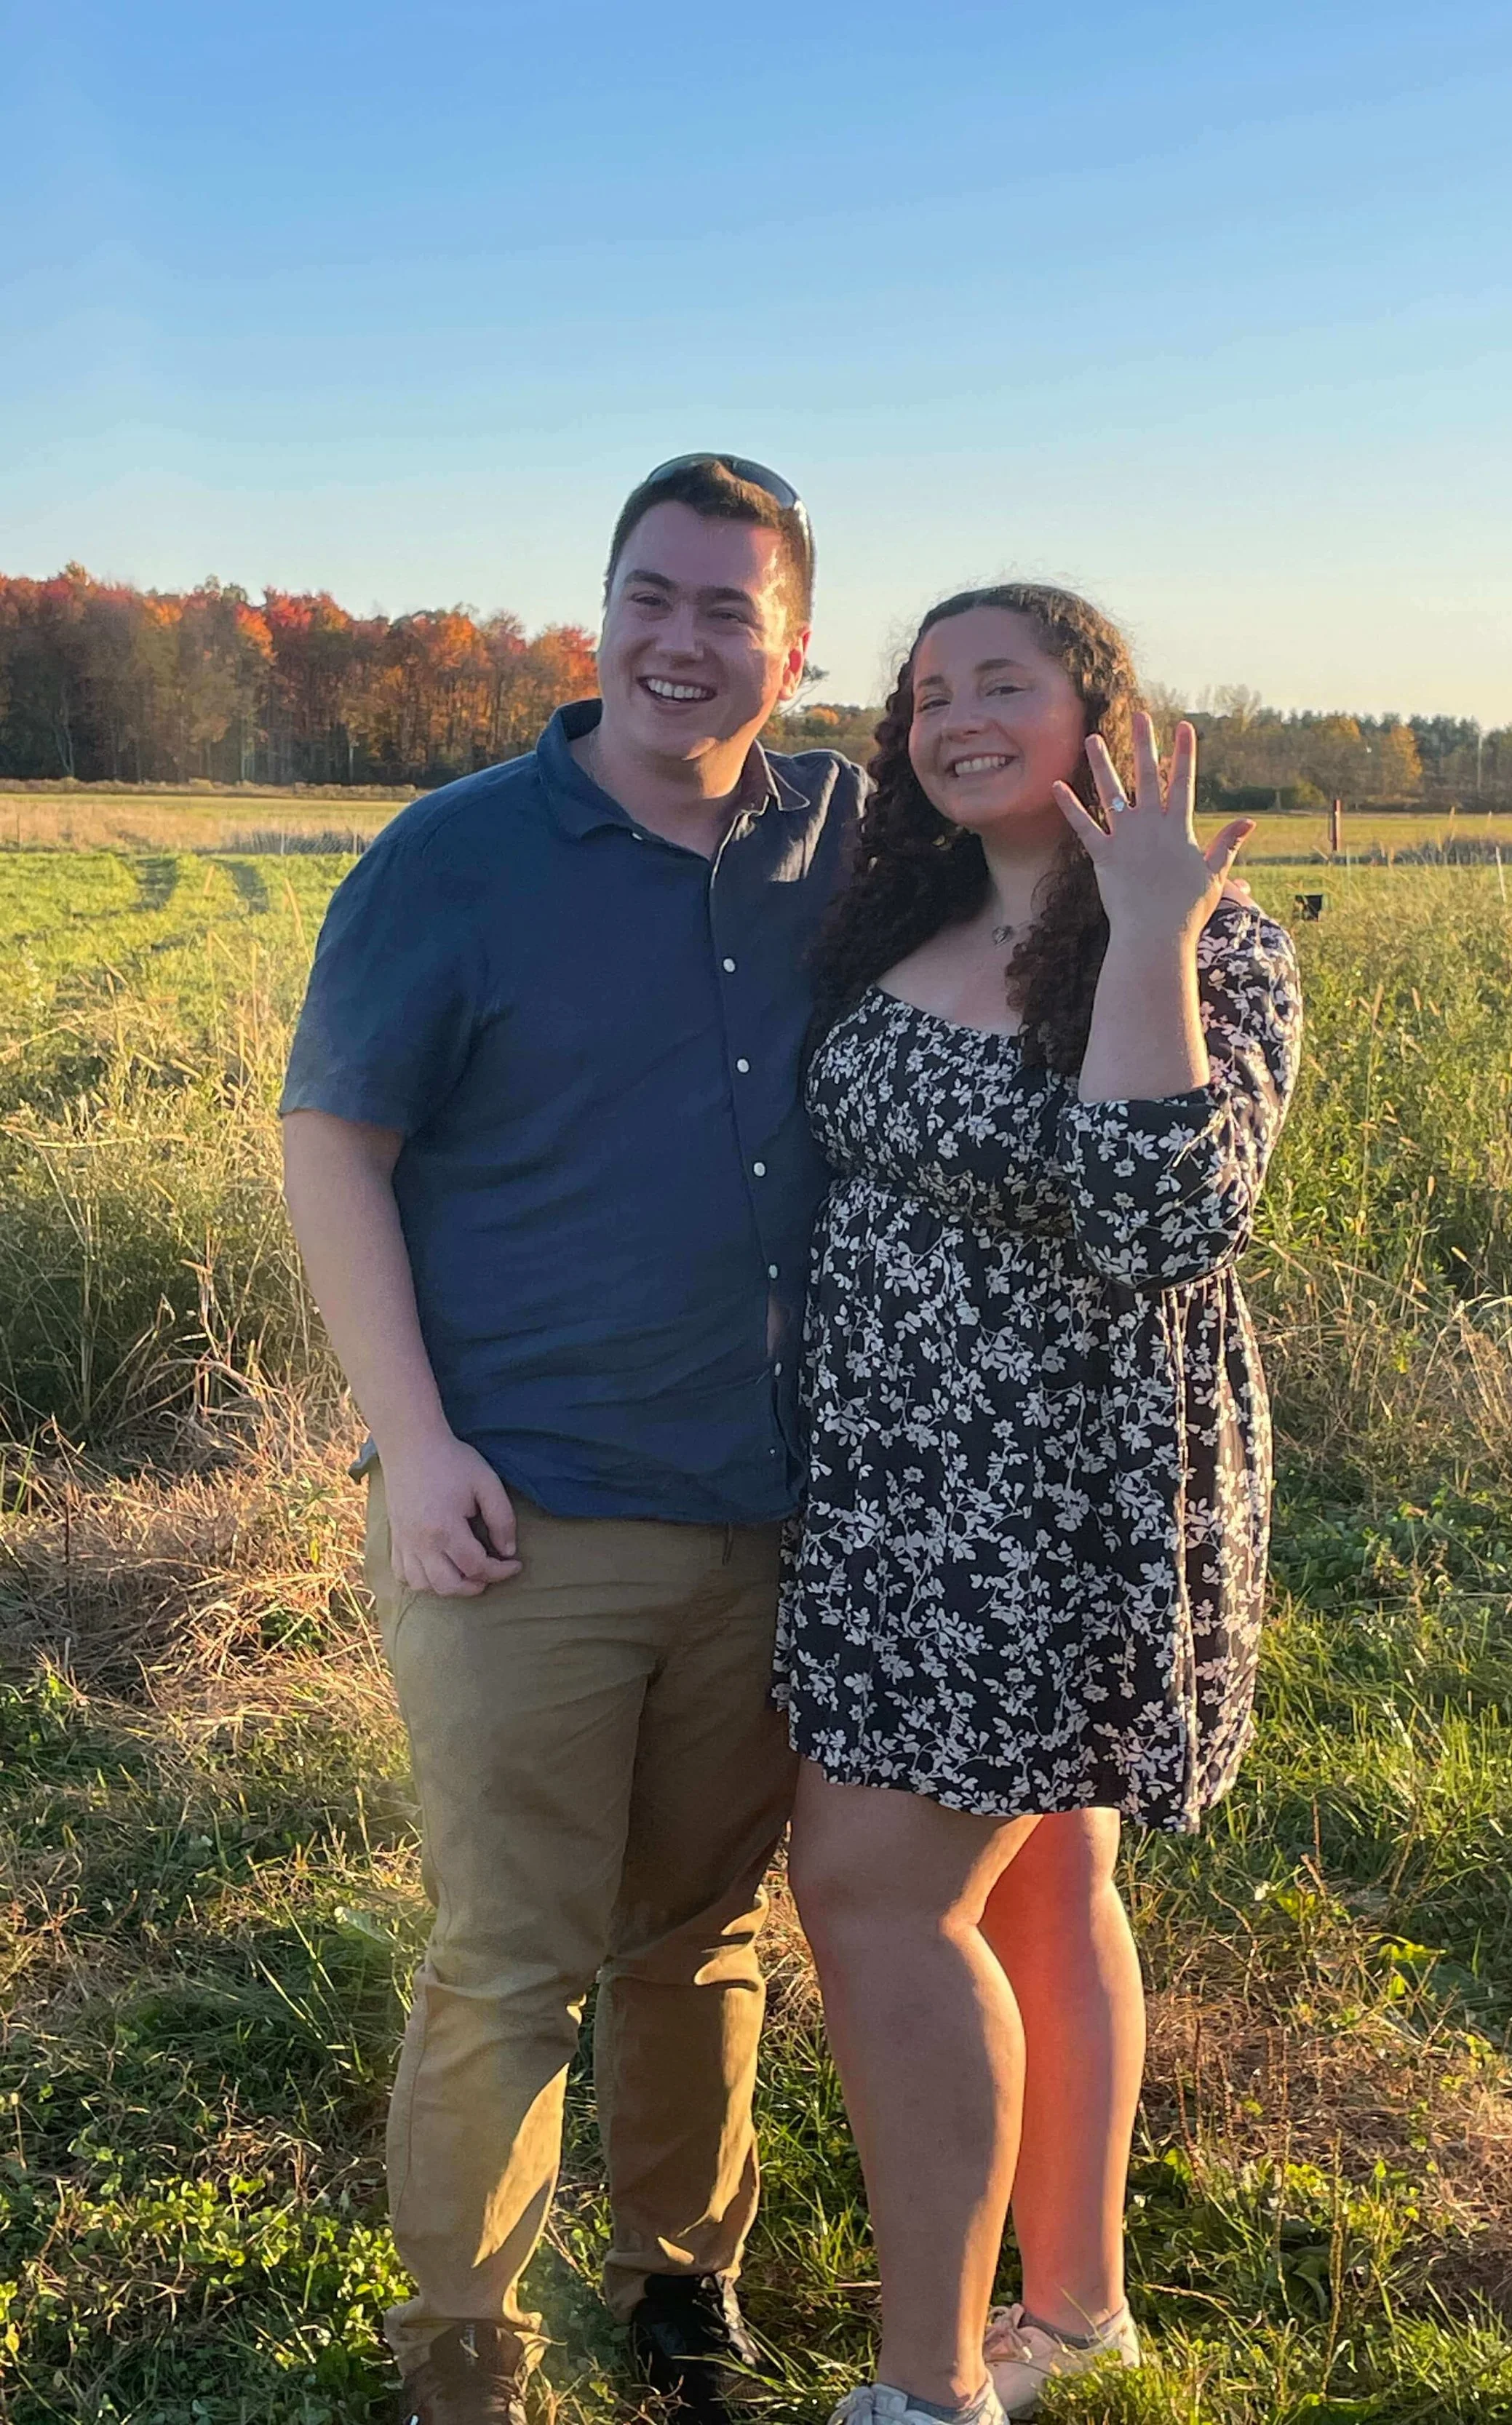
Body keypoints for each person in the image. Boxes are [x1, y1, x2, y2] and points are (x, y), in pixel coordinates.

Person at [280, 454, 860, 2425]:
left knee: (700, 1929)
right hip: (520, 1507)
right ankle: (464, 2341)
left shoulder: (855, 845)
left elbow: (1053, 876)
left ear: (795, 647)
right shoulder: (452, 857)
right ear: (596, 608)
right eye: (651, 593)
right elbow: (332, 1147)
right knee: (514, 1942)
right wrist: (411, 1440)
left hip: (775, 1513)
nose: (680, 639)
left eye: (727, 609)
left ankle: (677, 2282)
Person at [777, 584, 1302, 2425]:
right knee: (1044, 1867)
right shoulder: (899, 918)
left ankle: (927, 2388)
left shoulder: (1207, 945)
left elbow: (1162, 1223)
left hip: (1053, 1497)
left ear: (1100, 710)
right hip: (891, 1486)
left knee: (864, 1890)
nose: (957, 713)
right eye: (929, 691)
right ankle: (1074, 2310)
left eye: (1005, 679)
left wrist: (1149, 925)